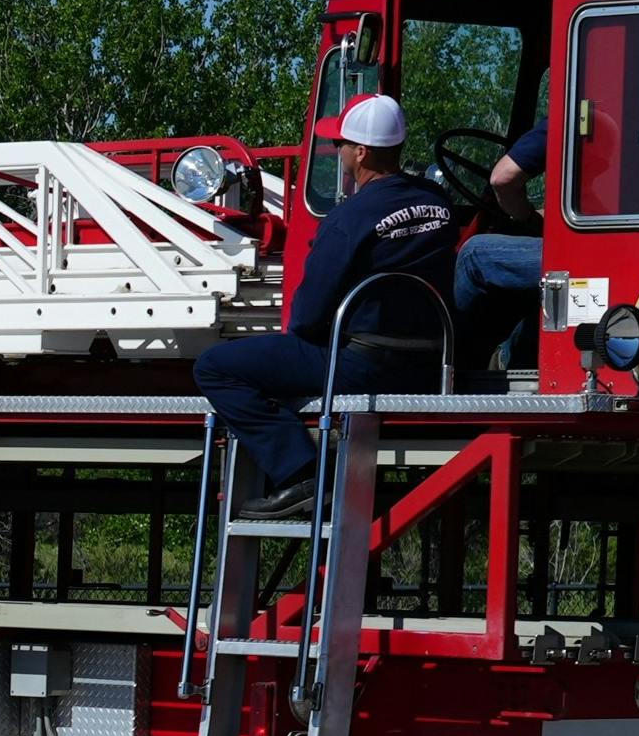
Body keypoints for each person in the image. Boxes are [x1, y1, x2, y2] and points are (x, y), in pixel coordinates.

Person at [192, 95, 455, 515]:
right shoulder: (439, 204)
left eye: (341, 145)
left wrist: (299, 349)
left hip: (367, 368)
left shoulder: (350, 218)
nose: (339, 152)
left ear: (361, 153)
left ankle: (301, 472)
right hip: (431, 366)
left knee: (215, 367)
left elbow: (308, 316)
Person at [448, 117, 550, 376]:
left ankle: (449, 363)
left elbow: (503, 178)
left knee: (475, 255)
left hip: (586, 250)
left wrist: (527, 217)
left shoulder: (575, 111)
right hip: (625, 246)